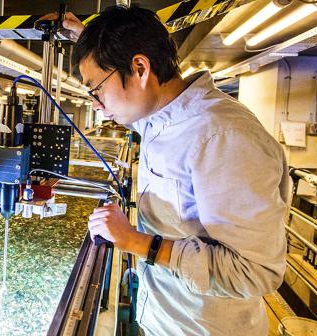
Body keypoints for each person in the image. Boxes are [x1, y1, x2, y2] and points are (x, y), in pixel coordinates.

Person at [52, 5, 290, 335]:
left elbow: (254, 273)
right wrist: (87, 37)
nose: (94, 102)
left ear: (139, 67)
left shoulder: (223, 137)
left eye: (95, 88)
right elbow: (141, 108)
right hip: (163, 318)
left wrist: (138, 243)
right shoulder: (162, 118)